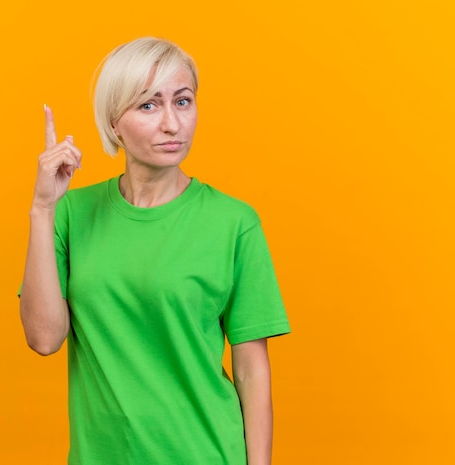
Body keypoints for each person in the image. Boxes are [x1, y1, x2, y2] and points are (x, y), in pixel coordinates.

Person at [19, 37, 290, 465]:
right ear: (113, 123)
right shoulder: (71, 213)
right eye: (149, 105)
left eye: (183, 102)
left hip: (206, 453)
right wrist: (42, 209)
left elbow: (251, 372)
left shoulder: (234, 223)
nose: (172, 123)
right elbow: (44, 338)